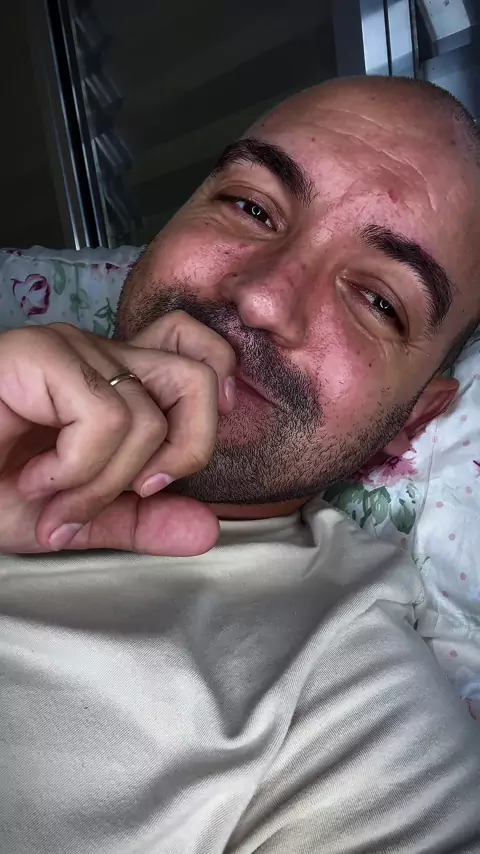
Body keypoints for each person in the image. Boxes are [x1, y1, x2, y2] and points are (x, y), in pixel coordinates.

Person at [1, 75, 479, 852]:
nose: (261, 298)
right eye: (251, 207)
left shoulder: (362, 724)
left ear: (414, 418)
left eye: (378, 301)